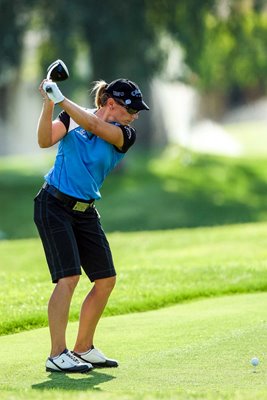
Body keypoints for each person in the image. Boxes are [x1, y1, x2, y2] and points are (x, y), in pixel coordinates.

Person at [34, 76, 149, 373]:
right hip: (53, 205)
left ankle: (83, 347)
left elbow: (96, 127)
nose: (135, 115)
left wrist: (60, 98)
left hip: (85, 211)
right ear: (111, 103)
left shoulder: (125, 133)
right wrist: (49, 104)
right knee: (69, 278)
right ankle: (57, 354)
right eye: (131, 109)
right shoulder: (70, 117)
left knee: (105, 280)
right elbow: (45, 140)